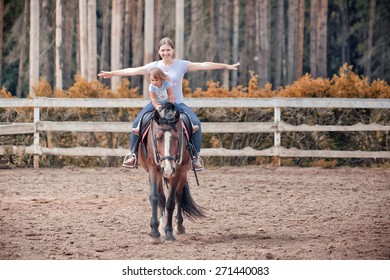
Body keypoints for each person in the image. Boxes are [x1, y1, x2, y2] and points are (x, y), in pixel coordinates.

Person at [98, 37, 240, 171]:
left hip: (176, 103)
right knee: (137, 123)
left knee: (195, 122)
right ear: (159, 52)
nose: (165, 53)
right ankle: (133, 155)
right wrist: (112, 73)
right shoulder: (153, 66)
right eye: (162, 50)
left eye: (168, 50)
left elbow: (203, 65)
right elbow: (132, 71)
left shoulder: (182, 65)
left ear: (172, 50)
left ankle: (195, 158)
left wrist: (225, 66)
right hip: (157, 104)